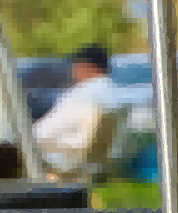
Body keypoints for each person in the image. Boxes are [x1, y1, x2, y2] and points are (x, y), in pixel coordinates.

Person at [32, 45, 117, 177]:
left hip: (65, 159)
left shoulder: (82, 94)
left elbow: (45, 132)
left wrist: (21, 138)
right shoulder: (113, 93)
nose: (73, 70)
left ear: (86, 66)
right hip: (92, 161)